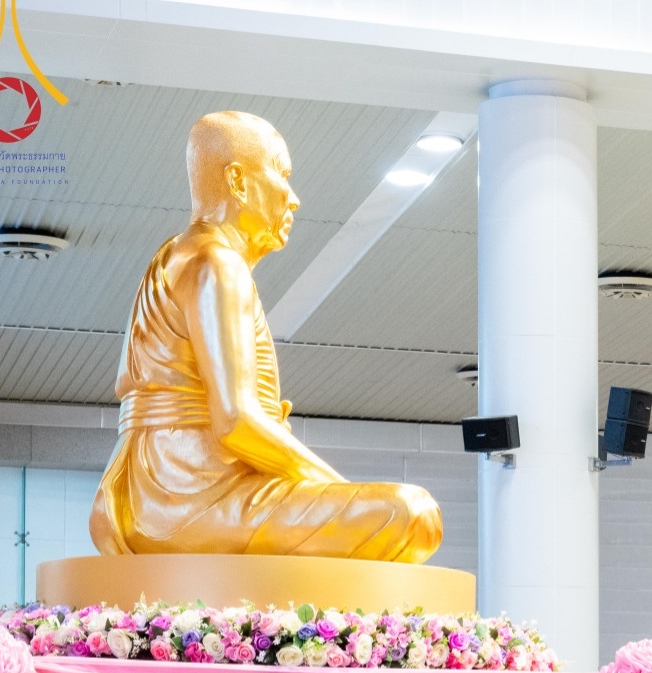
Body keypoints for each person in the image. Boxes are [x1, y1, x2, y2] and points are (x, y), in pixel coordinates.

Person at [92, 112, 442, 562]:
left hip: (144, 494)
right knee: (413, 513)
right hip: (188, 497)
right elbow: (236, 421)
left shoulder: (176, 255)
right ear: (237, 181)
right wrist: (331, 487)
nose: (293, 199)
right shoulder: (217, 263)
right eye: (281, 174)